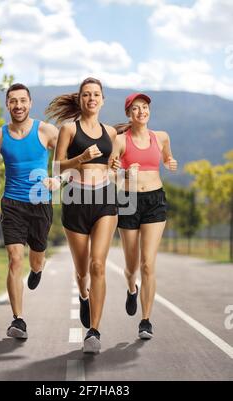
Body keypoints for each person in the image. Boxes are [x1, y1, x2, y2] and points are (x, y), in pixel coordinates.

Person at [45, 77, 119, 353]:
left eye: (96, 94)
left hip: (105, 200)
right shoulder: (68, 129)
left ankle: (94, 332)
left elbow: (112, 168)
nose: (91, 98)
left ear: (102, 99)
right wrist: (81, 159)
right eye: (86, 94)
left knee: (97, 265)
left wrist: (115, 167)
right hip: (75, 199)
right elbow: (57, 167)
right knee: (81, 270)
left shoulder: (110, 133)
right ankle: (84, 294)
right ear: (80, 99)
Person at [0, 83, 58, 339]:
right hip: (12, 203)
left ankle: (37, 270)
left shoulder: (46, 131)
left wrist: (59, 179)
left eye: (22, 100)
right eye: (13, 101)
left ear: (30, 103)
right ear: (7, 105)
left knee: (36, 258)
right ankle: (18, 320)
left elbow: (69, 157)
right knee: (15, 259)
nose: (18, 105)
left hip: (40, 204)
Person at [113, 92, 177, 339]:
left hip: (155, 201)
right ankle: (131, 288)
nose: (141, 111)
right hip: (128, 201)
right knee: (131, 266)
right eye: (136, 108)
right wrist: (124, 172)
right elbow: (111, 175)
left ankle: (146, 320)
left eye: (145, 107)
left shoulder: (161, 137)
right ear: (129, 113)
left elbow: (166, 157)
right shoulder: (120, 141)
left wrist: (170, 162)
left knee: (148, 263)